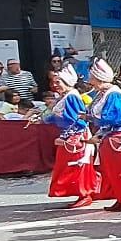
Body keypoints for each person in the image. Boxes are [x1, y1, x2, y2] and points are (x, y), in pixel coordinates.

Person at [85, 58, 121, 211]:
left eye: (92, 78)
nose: (89, 81)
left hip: (117, 136)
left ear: (99, 78)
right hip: (108, 136)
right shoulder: (102, 94)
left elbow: (116, 118)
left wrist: (94, 119)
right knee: (111, 170)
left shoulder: (114, 94)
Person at [41, 66, 98, 206]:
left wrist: (68, 136)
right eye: (54, 82)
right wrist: (44, 119)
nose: (55, 85)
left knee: (77, 165)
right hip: (68, 135)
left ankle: (85, 194)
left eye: (58, 82)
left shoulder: (72, 96)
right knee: (67, 165)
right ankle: (84, 192)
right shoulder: (64, 96)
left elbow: (78, 119)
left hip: (76, 135)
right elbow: (59, 116)